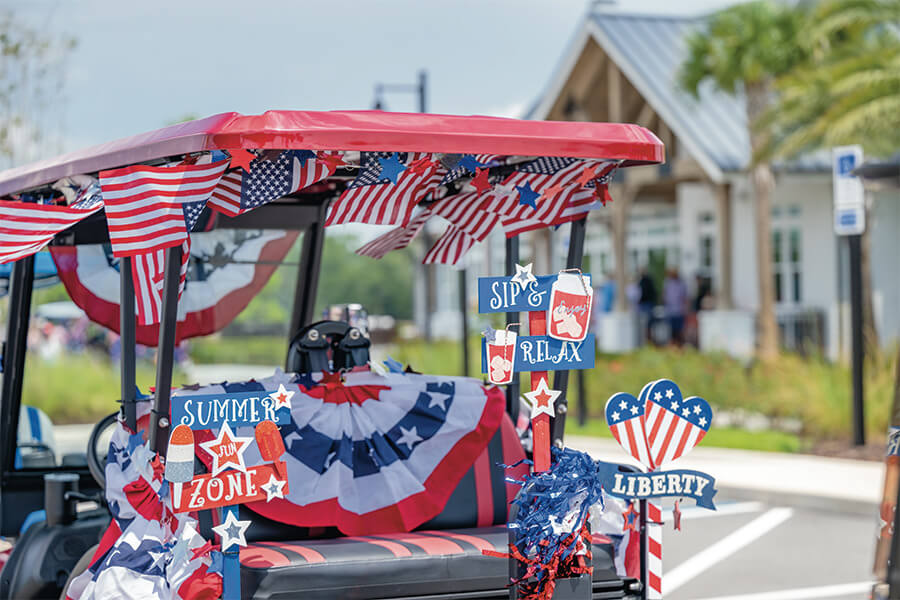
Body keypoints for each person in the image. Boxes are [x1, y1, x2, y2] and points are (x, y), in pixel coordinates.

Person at [663, 268, 688, 346]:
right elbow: (664, 295)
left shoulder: (681, 283)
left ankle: (680, 345)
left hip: (679, 311)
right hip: (670, 311)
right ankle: (673, 345)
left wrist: (685, 308)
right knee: (671, 331)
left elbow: (685, 297)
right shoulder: (667, 283)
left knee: (679, 330)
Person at [637, 268, 657, 343]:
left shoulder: (643, 281)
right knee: (649, 324)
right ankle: (649, 340)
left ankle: (648, 340)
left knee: (646, 324)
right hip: (649, 304)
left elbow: (643, 293)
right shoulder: (650, 281)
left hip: (645, 304)